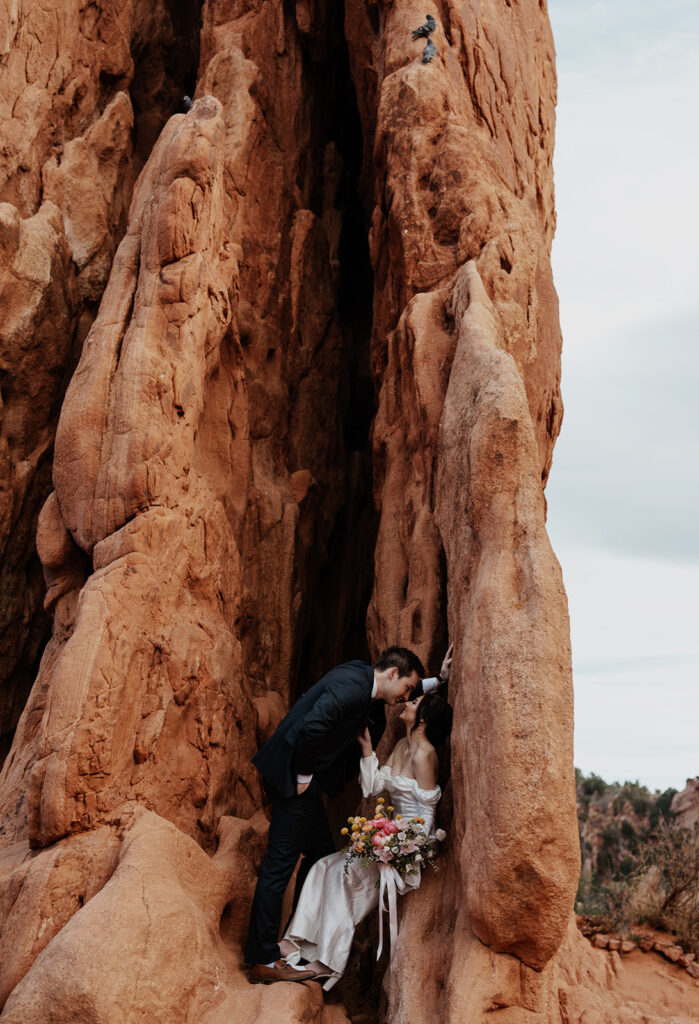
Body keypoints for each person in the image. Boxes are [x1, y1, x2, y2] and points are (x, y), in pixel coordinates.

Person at [245, 644, 453, 984]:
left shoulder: (361, 675)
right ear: (392, 675)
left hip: (303, 782)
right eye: (407, 689)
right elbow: (313, 728)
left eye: (412, 696)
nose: (405, 697)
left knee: (320, 855)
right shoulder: (354, 690)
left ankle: (296, 945)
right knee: (279, 865)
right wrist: (303, 777)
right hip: (293, 778)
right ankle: (263, 958)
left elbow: (406, 692)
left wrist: (437, 682)